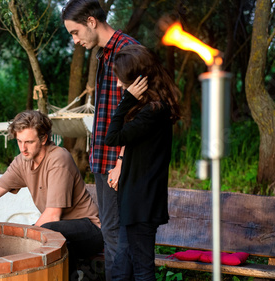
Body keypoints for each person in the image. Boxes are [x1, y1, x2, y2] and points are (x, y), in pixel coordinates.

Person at [0, 110, 104, 280]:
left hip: (90, 229)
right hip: (60, 232)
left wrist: (24, 241)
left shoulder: (58, 159)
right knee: (50, 240)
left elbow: (52, 215)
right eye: (19, 141)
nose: (23, 148)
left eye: (29, 142)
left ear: (43, 139)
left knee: (46, 233)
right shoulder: (23, 160)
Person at [62, 0, 139, 278]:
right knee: (111, 232)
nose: (75, 40)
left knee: (119, 235)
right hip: (103, 159)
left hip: (118, 163)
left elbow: (138, 111)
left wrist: (121, 161)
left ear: (91, 22)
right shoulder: (104, 54)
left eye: (75, 32)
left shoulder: (127, 51)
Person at [105, 45, 181, 281]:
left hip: (141, 203)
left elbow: (112, 137)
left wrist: (126, 101)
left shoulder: (152, 112)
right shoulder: (155, 110)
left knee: (142, 270)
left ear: (138, 82)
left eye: (122, 81)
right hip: (139, 201)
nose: (119, 85)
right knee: (124, 265)